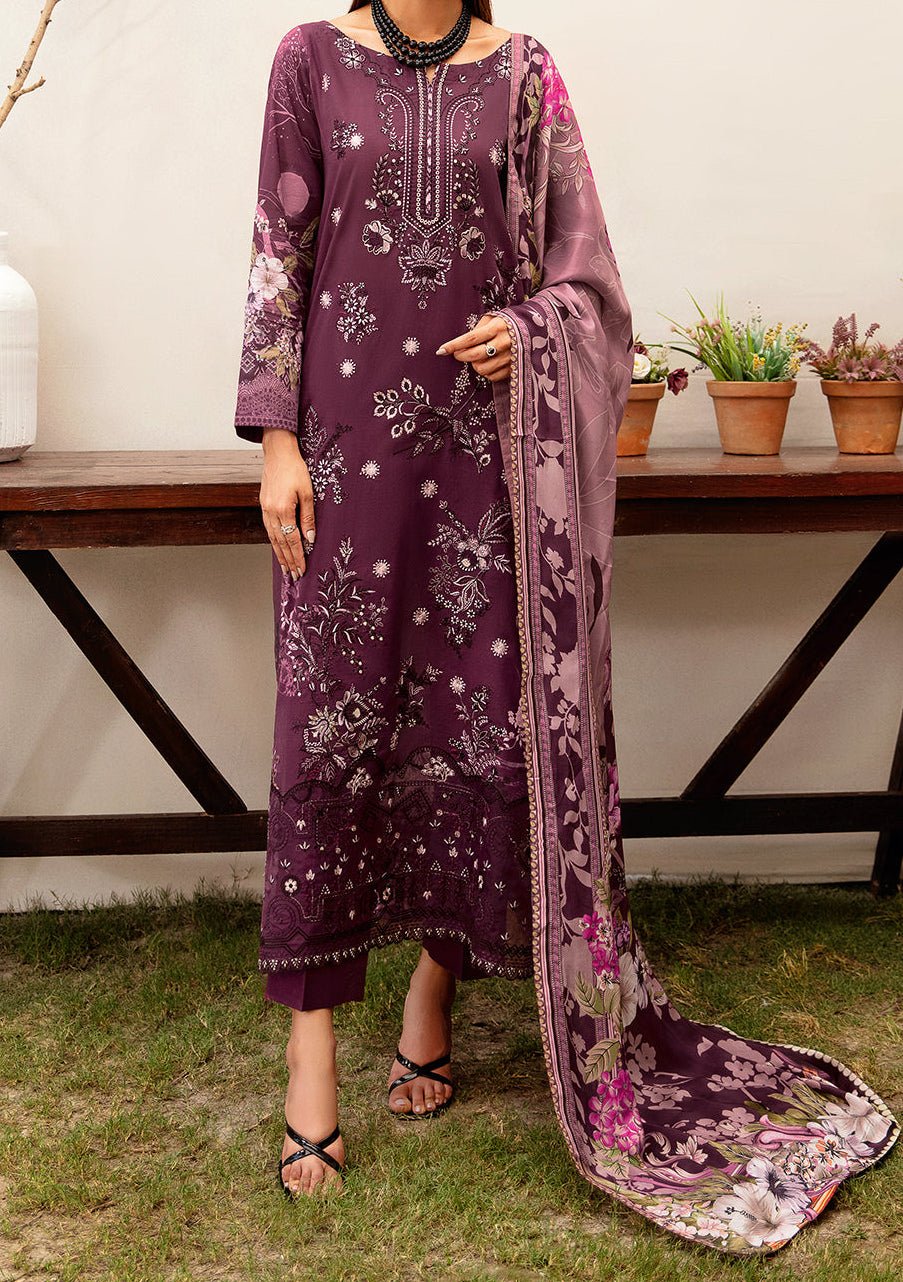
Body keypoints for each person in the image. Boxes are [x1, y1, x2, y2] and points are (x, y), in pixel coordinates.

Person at [234, 0, 527, 1197]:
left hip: (483, 458)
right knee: (330, 731)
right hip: (345, 459)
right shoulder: (309, 60)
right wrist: (276, 441)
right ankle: (310, 1053)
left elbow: (576, 270)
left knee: (475, 722)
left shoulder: (526, 75)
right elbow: (278, 250)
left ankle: (432, 991)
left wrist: (531, 329)